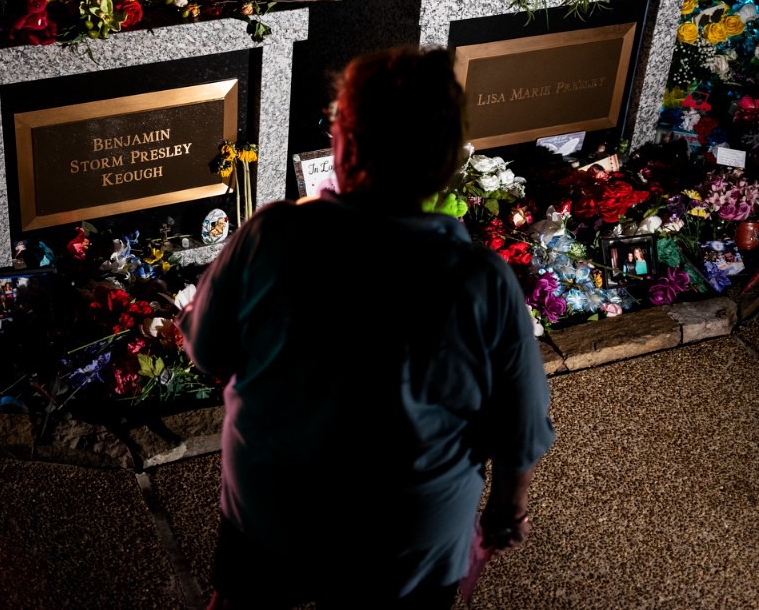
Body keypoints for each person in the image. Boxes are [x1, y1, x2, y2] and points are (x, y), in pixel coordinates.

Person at [177, 45, 556, 608]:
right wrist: (505, 511)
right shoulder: (482, 282)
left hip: (275, 511)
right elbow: (520, 427)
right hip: (410, 536)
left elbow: (206, 350)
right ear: (449, 160)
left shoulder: (272, 238)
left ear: (345, 144)